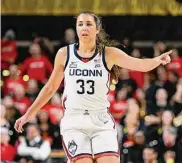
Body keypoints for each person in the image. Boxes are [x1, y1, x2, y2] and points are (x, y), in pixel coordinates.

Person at [15, 11, 172, 163]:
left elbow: (139, 64)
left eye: (89, 24)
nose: (84, 28)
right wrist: (28, 114)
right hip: (74, 120)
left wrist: (158, 60)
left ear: (97, 29)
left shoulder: (108, 53)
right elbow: (50, 88)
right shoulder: (64, 54)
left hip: (100, 119)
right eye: (80, 24)